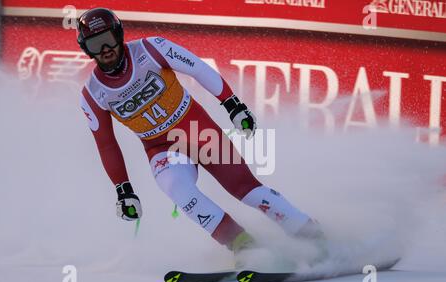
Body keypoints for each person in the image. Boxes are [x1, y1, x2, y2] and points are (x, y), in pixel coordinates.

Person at [77, 8, 322, 266]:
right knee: (180, 191)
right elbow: (106, 143)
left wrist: (232, 105)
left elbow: (198, 68)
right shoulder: (92, 94)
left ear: (119, 34)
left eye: (108, 39)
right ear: (86, 49)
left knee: (246, 190)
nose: (105, 49)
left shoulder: (151, 48)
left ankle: (310, 233)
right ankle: (244, 246)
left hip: (196, 129)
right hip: (160, 148)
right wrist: (123, 189)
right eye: (95, 44)